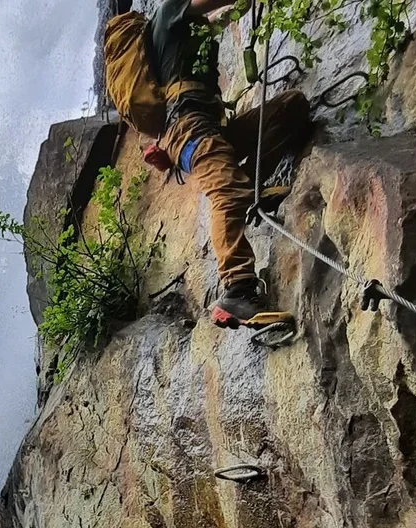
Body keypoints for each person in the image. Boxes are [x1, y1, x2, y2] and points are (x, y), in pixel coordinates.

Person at [104, 0, 312, 328]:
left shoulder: (178, 36)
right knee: (225, 193)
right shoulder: (169, 13)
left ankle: (250, 189)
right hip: (187, 130)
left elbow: (215, 14)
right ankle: (237, 290)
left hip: (209, 129)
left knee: (290, 108)